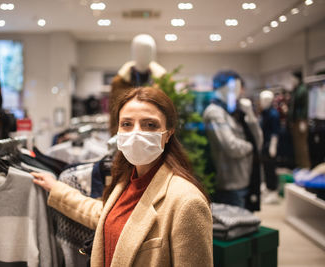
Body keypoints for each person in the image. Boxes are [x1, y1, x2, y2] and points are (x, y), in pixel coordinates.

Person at [32, 86, 213, 267]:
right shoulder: (126, 180)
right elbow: (106, 216)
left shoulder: (187, 201)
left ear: (168, 133)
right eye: (127, 124)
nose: (136, 133)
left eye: (150, 125)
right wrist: (56, 188)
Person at [203, 70, 263, 211]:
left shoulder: (235, 112)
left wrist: (251, 116)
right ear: (223, 88)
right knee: (236, 227)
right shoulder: (215, 112)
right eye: (234, 87)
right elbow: (231, 147)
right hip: (230, 184)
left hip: (245, 179)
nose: (238, 92)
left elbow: (258, 142)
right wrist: (251, 147)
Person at [109, 34, 166, 135]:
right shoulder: (119, 82)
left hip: (154, 134)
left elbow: (169, 113)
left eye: (148, 51)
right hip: (127, 133)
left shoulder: (164, 81)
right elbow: (114, 113)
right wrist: (115, 134)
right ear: (133, 52)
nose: (144, 55)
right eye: (140, 51)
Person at [259, 90, 281, 204]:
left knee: (271, 168)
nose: (262, 102)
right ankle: (268, 188)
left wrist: (273, 146)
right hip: (264, 145)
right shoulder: (264, 113)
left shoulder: (273, 114)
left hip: (270, 145)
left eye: (264, 100)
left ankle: (273, 190)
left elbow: (275, 132)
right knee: (266, 168)